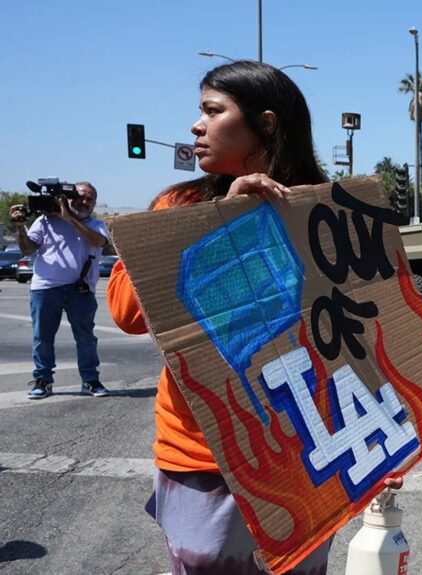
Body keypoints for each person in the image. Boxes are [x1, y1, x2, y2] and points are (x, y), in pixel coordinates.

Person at [107, 60, 401, 574]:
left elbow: (366, 335)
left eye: (211, 111)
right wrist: (219, 222)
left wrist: (388, 433)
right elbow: (129, 313)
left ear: (265, 124)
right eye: (199, 112)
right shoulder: (177, 204)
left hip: (310, 447)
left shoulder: (326, 213)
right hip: (203, 453)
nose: (195, 126)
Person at [10, 182, 110, 399]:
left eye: (90, 198)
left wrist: (68, 218)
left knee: (86, 338)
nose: (84, 201)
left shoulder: (97, 225)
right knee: (42, 337)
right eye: (79, 196)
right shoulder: (45, 221)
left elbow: (98, 241)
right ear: (67, 198)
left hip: (81, 290)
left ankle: (90, 380)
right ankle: (43, 380)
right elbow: (27, 249)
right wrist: (19, 225)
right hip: (45, 288)